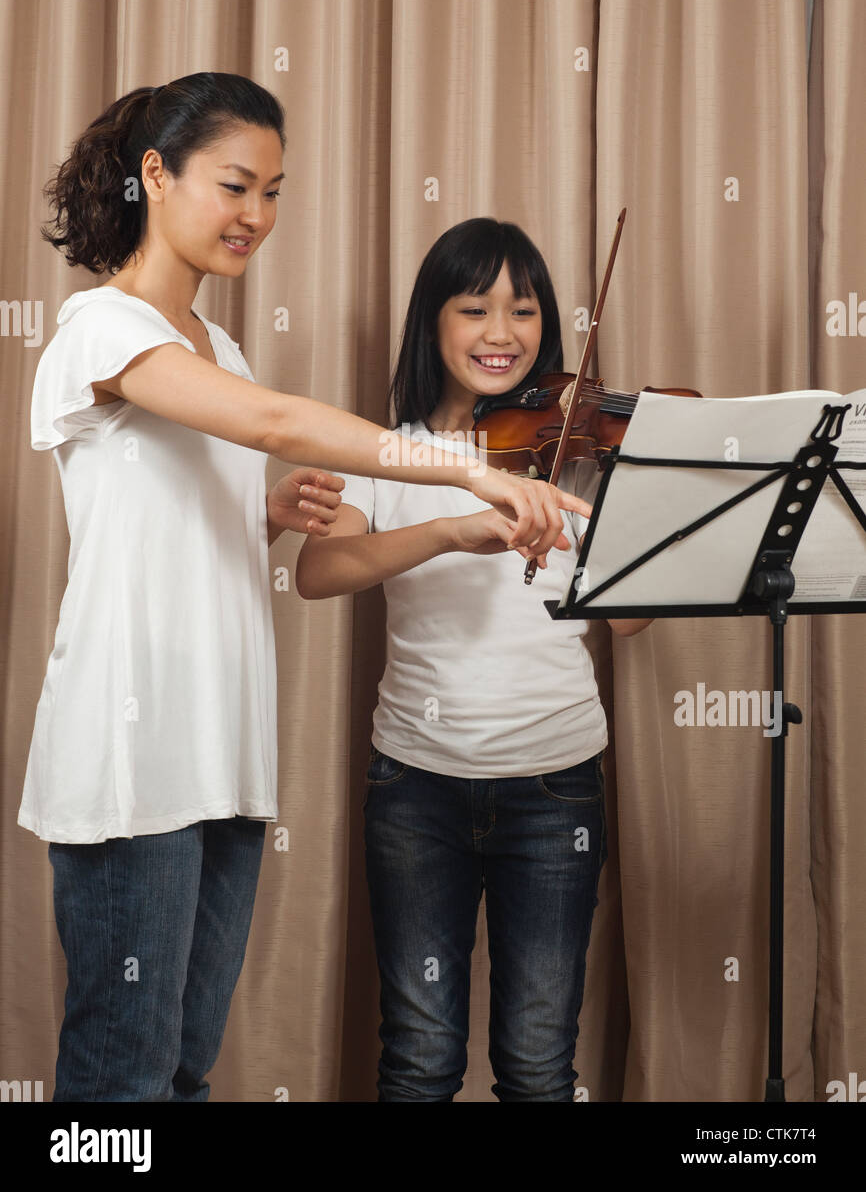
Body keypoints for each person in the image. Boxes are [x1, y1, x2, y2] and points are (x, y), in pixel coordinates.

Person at [19, 74, 590, 1103]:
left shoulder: (218, 347)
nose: (257, 216)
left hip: (224, 753)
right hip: (130, 757)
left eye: (274, 192)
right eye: (236, 185)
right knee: (119, 1077)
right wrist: (461, 468)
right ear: (155, 173)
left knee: (186, 1069)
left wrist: (263, 513)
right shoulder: (99, 327)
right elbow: (276, 421)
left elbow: (180, 523)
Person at [296, 217, 652, 1102]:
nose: (502, 334)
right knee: (420, 1059)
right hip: (416, 784)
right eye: (476, 309)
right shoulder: (390, 452)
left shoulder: (577, 455)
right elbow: (319, 572)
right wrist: (451, 528)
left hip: (556, 781)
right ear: (433, 323)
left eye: (524, 311)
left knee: (539, 1065)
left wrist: (627, 508)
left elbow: (635, 626)